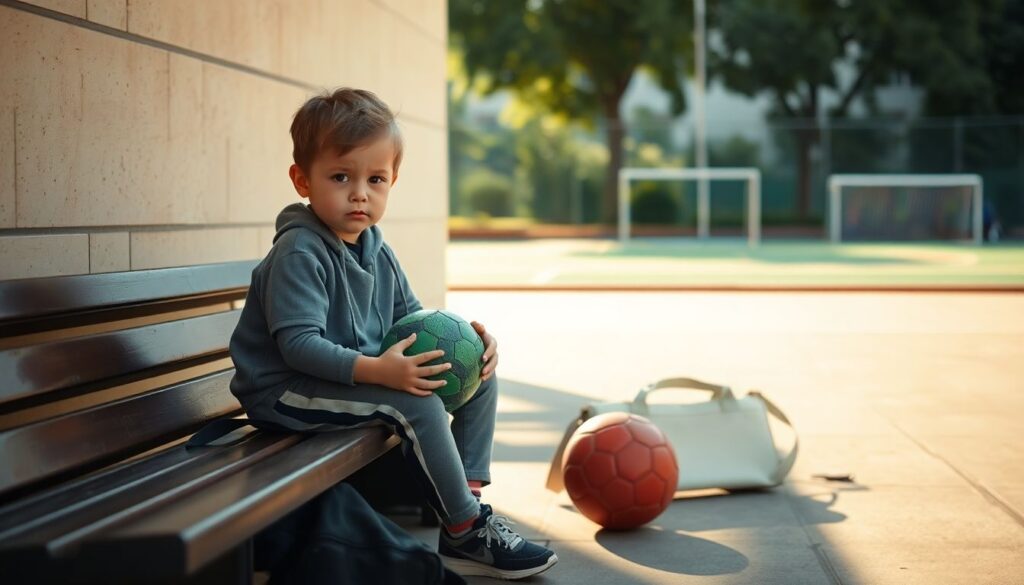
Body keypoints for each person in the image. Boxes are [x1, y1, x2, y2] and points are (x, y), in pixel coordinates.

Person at [228, 88, 557, 580]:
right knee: (415, 403)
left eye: (375, 179)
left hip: (345, 380)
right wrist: (379, 370)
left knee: (477, 377)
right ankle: (467, 526)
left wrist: (471, 346)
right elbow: (297, 346)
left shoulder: (376, 249)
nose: (360, 192)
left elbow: (412, 322)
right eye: (341, 177)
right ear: (303, 180)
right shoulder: (300, 251)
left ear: (391, 181)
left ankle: (462, 509)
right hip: (285, 391)